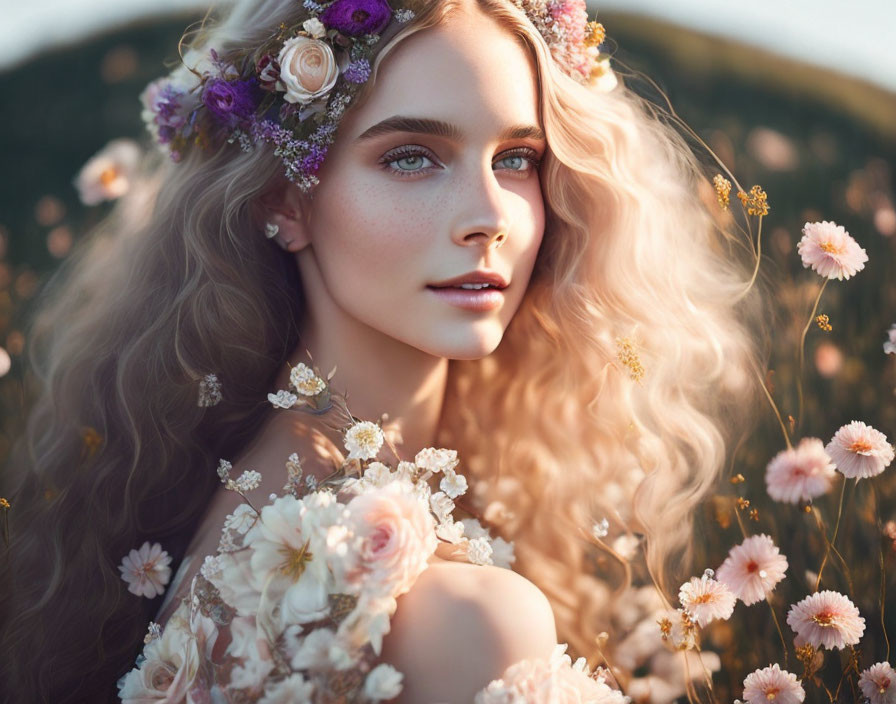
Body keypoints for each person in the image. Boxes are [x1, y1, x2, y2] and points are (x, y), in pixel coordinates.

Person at [0, 0, 767, 701]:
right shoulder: (459, 622)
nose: (488, 217)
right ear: (284, 200)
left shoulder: (239, 500)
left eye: (517, 158)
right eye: (411, 156)